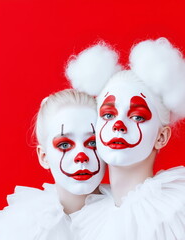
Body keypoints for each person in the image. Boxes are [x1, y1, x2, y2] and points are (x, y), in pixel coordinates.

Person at [66, 38, 185, 240]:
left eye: (137, 116)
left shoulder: (176, 211)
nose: (118, 125)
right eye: (108, 115)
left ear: (161, 137)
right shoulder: (87, 216)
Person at [0, 89, 106, 240]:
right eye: (64, 145)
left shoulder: (131, 217)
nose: (81, 157)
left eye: (93, 142)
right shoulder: (19, 231)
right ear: (44, 156)